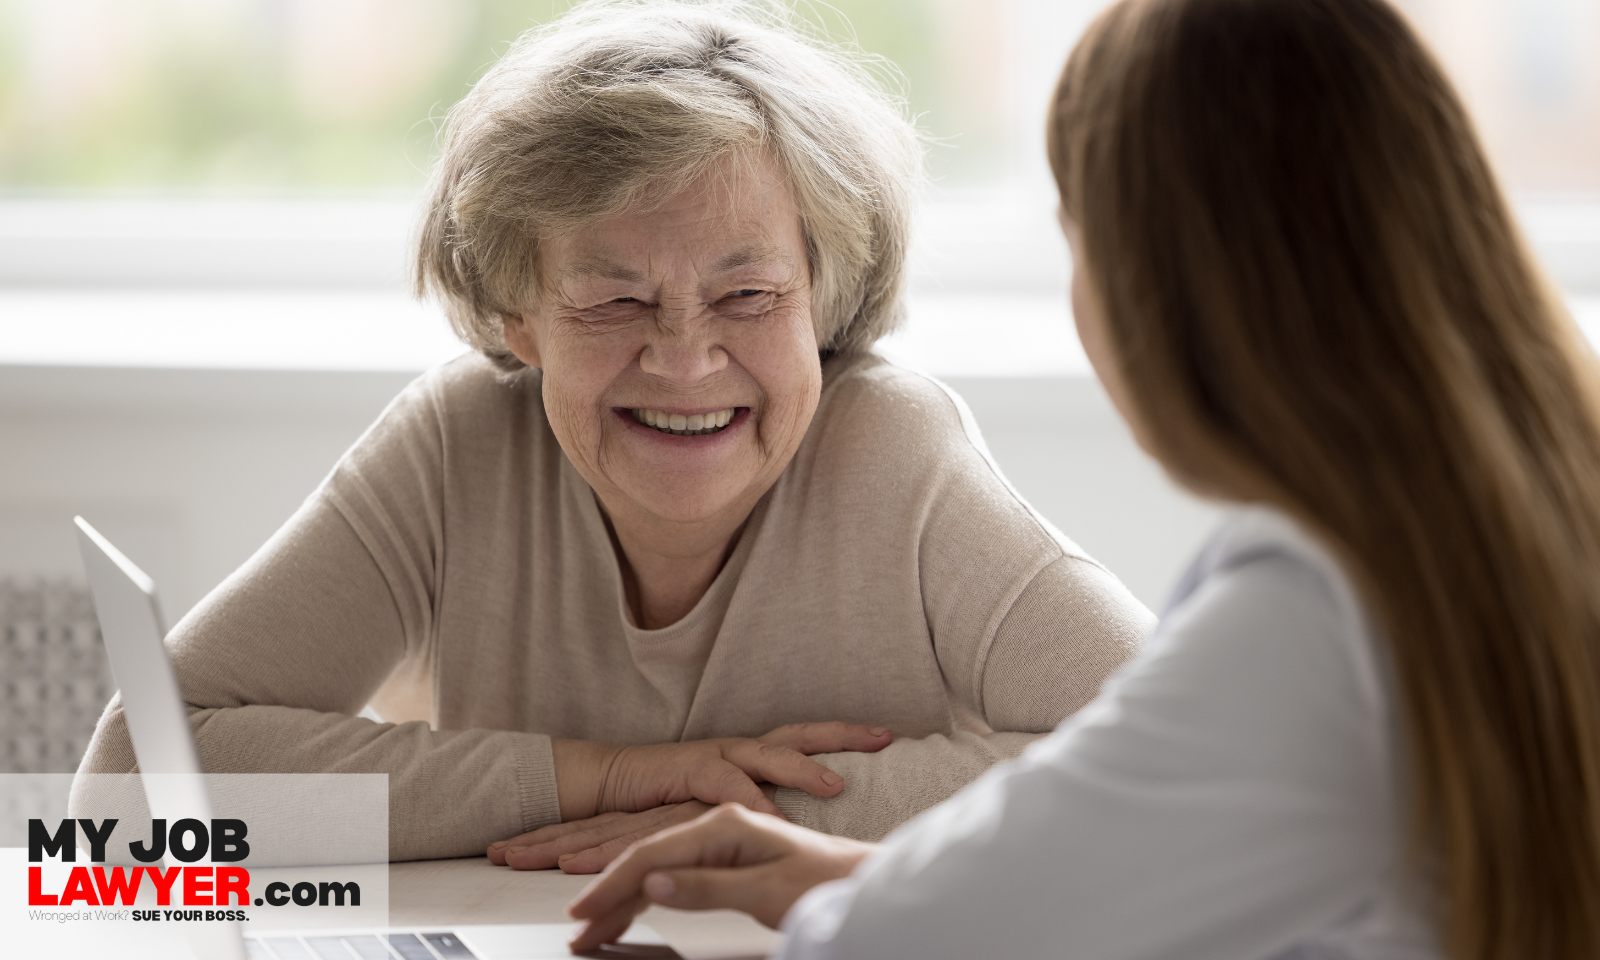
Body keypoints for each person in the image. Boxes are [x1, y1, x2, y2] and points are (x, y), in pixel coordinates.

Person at [564, 0, 1600, 957]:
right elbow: (1164, 865)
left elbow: (897, 948)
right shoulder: (1525, 503)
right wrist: (866, 877)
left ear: (1162, 282)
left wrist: (868, 904)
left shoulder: (1313, 613)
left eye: (1077, 238)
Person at [73, 0, 1154, 867]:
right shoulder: (456, 449)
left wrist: (765, 810)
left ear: (820, 301)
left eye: (747, 296)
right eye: (613, 302)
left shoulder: (892, 451)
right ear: (518, 318)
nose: (685, 358)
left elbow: (1174, 754)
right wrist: (604, 776)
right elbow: (131, 787)